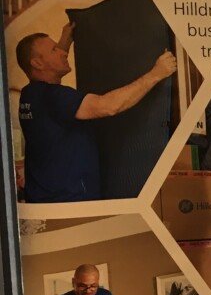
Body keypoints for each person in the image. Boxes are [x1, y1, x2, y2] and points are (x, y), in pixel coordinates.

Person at [15, 22, 177, 203]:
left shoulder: (30, 95)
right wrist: (156, 73)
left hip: (44, 198)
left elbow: (48, 68)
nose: (62, 53)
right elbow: (108, 106)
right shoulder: (55, 97)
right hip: (68, 203)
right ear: (37, 63)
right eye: (54, 50)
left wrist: (64, 40)